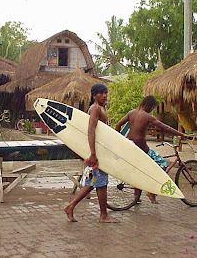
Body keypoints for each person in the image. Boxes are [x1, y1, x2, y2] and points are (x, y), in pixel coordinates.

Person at [115, 95, 190, 204]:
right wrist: (181, 134)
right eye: (152, 107)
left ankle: (136, 198)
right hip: (141, 147)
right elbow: (165, 127)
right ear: (149, 105)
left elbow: (118, 124)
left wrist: (118, 139)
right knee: (163, 163)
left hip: (130, 145)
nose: (152, 110)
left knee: (139, 170)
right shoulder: (147, 116)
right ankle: (151, 191)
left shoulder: (131, 113)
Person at [64, 83, 119, 223]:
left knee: (95, 182)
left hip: (99, 151)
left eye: (105, 92)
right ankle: (102, 215)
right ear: (94, 95)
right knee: (98, 183)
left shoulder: (101, 108)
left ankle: (72, 207)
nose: (104, 95)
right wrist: (93, 153)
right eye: (101, 93)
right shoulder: (95, 108)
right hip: (96, 152)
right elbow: (90, 130)